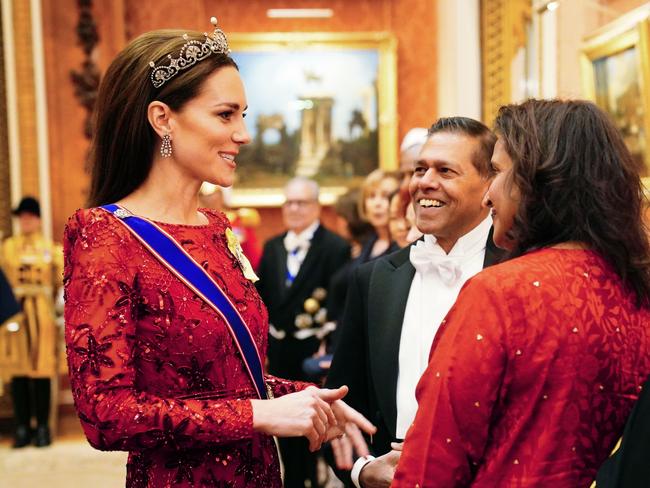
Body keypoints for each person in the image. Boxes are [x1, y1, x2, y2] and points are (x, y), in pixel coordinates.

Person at [64, 18, 374, 488]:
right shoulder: (104, 235)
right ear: (162, 118)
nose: (244, 135)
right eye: (226, 115)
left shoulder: (215, 228)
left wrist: (306, 397)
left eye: (244, 116)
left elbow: (226, 383)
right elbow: (104, 414)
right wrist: (258, 416)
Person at [393, 99, 650, 487]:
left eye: (496, 172)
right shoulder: (637, 288)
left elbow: (433, 466)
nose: (487, 195)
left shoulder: (499, 294)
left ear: (537, 181)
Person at [326, 117, 501, 487]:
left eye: (445, 170)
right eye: (420, 169)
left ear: (489, 184)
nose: (424, 181)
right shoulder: (374, 280)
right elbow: (342, 407)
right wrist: (363, 470)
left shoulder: (518, 273)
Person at [256, 176, 350, 487]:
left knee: (314, 429)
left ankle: (313, 478)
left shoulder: (336, 247)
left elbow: (338, 304)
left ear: (316, 207)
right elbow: (264, 300)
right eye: (289, 202)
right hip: (280, 354)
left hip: (314, 355)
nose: (294, 209)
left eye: (302, 202)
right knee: (285, 428)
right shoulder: (272, 247)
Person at [1, 196, 63, 448]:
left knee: (42, 371)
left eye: (29, 216)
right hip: (15, 315)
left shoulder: (51, 249)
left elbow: (61, 284)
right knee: (18, 372)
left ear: (37, 219)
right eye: (21, 217)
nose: (25, 221)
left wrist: (61, 313)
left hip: (42, 315)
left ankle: (43, 428)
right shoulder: (7, 248)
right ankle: (22, 427)